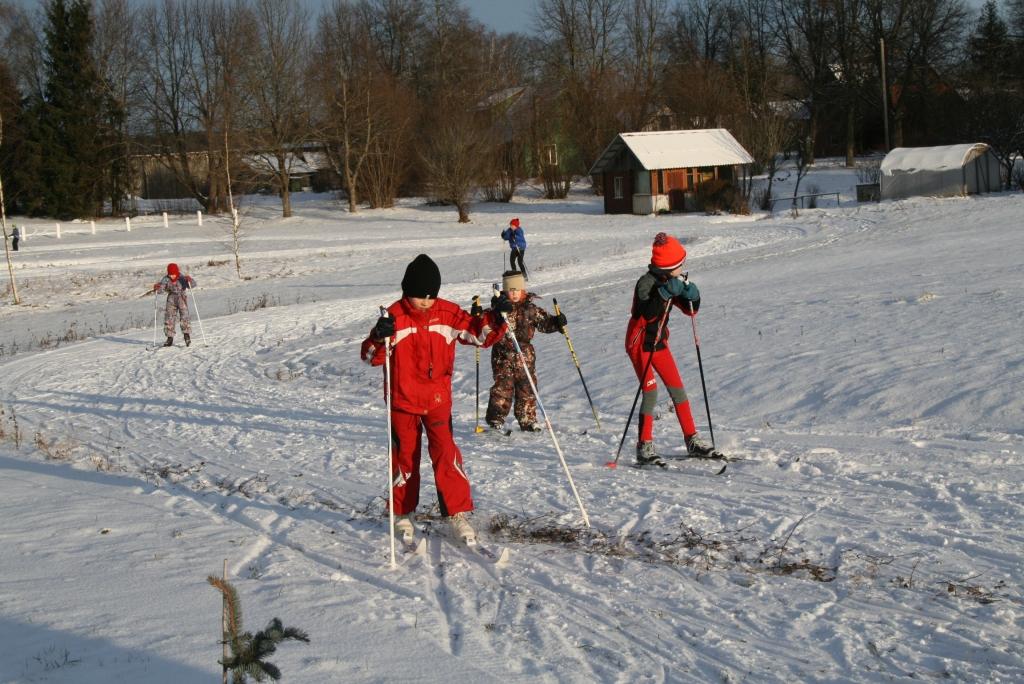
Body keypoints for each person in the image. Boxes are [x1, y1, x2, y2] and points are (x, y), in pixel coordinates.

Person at [360, 254, 512, 545]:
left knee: (446, 455)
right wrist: (379, 337)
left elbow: (478, 335)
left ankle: (456, 512)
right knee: (405, 458)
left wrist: (496, 317)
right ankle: (403, 512)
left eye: (431, 297)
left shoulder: (447, 313)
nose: (426, 303)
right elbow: (370, 357)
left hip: (438, 400)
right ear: (407, 292)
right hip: (402, 401)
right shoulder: (394, 316)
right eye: (419, 297)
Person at [625, 232, 714, 467]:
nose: (682, 267)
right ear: (667, 267)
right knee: (651, 393)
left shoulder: (670, 280)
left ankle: (692, 439)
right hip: (640, 343)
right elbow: (647, 313)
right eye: (679, 265)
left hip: (659, 343)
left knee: (678, 390)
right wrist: (665, 293)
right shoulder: (646, 283)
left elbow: (691, 310)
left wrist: (692, 296)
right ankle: (644, 446)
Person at [485, 270, 566, 433]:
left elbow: (544, 323)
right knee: (503, 387)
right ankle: (496, 419)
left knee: (527, 387)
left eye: (517, 289)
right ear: (505, 291)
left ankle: (527, 419)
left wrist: (556, 323)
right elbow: (488, 322)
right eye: (510, 290)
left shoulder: (530, 308)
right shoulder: (499, 308)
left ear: (523, 290)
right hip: (503, 354)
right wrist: (497, 312)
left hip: (525, 354)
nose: (514, 293)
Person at [152, 263, 196, 347]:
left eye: (174, 274)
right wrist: (157, 288)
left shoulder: (182, 278)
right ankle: (169, 338)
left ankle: (186, 335)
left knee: (184, 316)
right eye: (170, 274)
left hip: (181, 298)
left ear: (177, 272)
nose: (172, 276)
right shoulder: (166, 279)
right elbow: (161, 290)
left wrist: (190, 280)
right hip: (171, 299)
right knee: (169, 317)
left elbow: (192, 285)